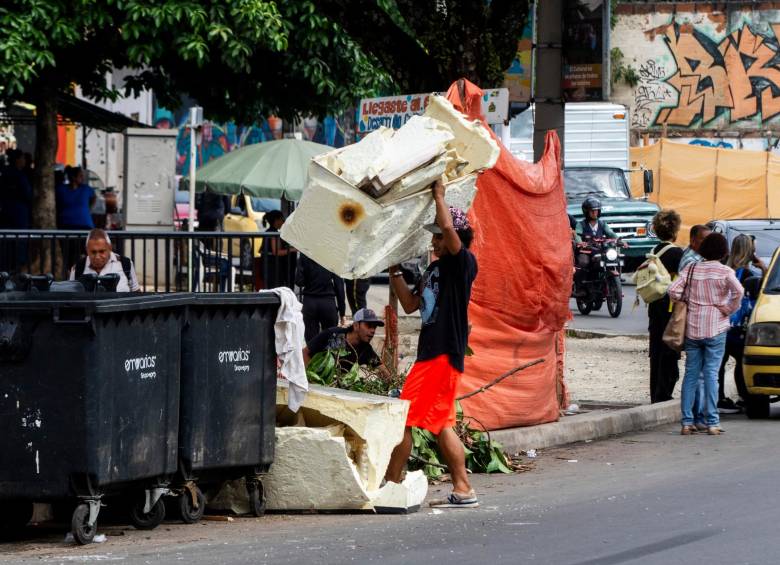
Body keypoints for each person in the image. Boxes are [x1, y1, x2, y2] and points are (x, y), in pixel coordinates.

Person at [384, 180, 478, 508]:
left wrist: (439, 196)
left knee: (403, 418)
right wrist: (394, 269)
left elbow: (452, 235)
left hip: (440, 355)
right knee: (442, 425)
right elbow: (411, 305)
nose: (434, 240)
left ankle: (390, 485)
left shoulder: (463, 264)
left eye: (438, 235)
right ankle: (463, 488)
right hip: (433, 354)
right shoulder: (434, 269)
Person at [669, 233, 744, 436]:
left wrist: (689, 298)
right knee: (711, 374)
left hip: (693, 328)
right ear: (723, 251)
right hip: (716, 326)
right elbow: (739, 291)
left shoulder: (691, 268)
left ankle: (687, 421)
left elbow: (673, 291)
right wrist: (728, 309)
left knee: (691, 374)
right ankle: (712, 421)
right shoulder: (725, 271)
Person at [717, 234, 764, 412]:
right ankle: (745, 396)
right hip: (738, 327)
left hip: (721, 322)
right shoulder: (748, 274)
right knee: (741, 361)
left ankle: (719, 397)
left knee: (720, 362)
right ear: (749, 250)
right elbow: (760, 295)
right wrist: (764, 268)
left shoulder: (724, 269)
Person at [647, 210, 684, 403]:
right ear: (675, 230)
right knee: (669, 351)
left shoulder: (654, 251)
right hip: (670, 307)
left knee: (656, 352)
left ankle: (655, 394)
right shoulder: (677, 253)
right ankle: (664, 393)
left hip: (654, 305)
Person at [678, 224, 711, 429]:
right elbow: (677, 291)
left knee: (696, 373)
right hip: (695, 323)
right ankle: (696, 417)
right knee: (697, 373)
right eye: (704, 240)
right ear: (693, 240)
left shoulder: (697, 259)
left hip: (696, 322)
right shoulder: (692, 262)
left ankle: (693, 418)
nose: (707, 244)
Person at [303, 308, 390, 379]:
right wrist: (310, 378)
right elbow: (305, 352)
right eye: (368, 325)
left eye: (374, 327)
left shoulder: (366, 350)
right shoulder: (333, 334)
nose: (372, 331)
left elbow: (384, 372)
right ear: (356, 325)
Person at [573, 197, 626, 293]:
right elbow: (577, 235)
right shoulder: (581, 225)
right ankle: (580, 286)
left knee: (614, 258)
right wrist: (580, 242)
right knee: (583, 262)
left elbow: (611, 233)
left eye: (596, 211)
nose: (594, 213)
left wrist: (619, 240)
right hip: (586, 251)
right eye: (592, 211)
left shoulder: (602, 224)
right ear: (586, 212)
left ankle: (612, 281)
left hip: (600, 250)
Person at [69, 229, 140, 292]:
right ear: (87, 250)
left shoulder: (126, 264)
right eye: (93, 252)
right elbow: (70, 297)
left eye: (101, 251)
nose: (97, 257)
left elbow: (136, 294)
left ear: (110, 248)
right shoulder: (77, 268)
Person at [296, 254, 346, 342]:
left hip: (309, 302)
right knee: (333, 341)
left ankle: (313, 355)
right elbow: (339, 287)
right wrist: (342, 313)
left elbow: (299, 281)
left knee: (311, 342)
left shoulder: (305, 254)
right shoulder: (333, 255)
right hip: (328, 302)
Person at [260, 210, 296, 288]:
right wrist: (293, 250)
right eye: (282, 220)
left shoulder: (271, 231)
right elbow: (276, 252)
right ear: (276, 220)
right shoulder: (273, 233)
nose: (283, 222)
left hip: (271, 268)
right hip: (273, 269)